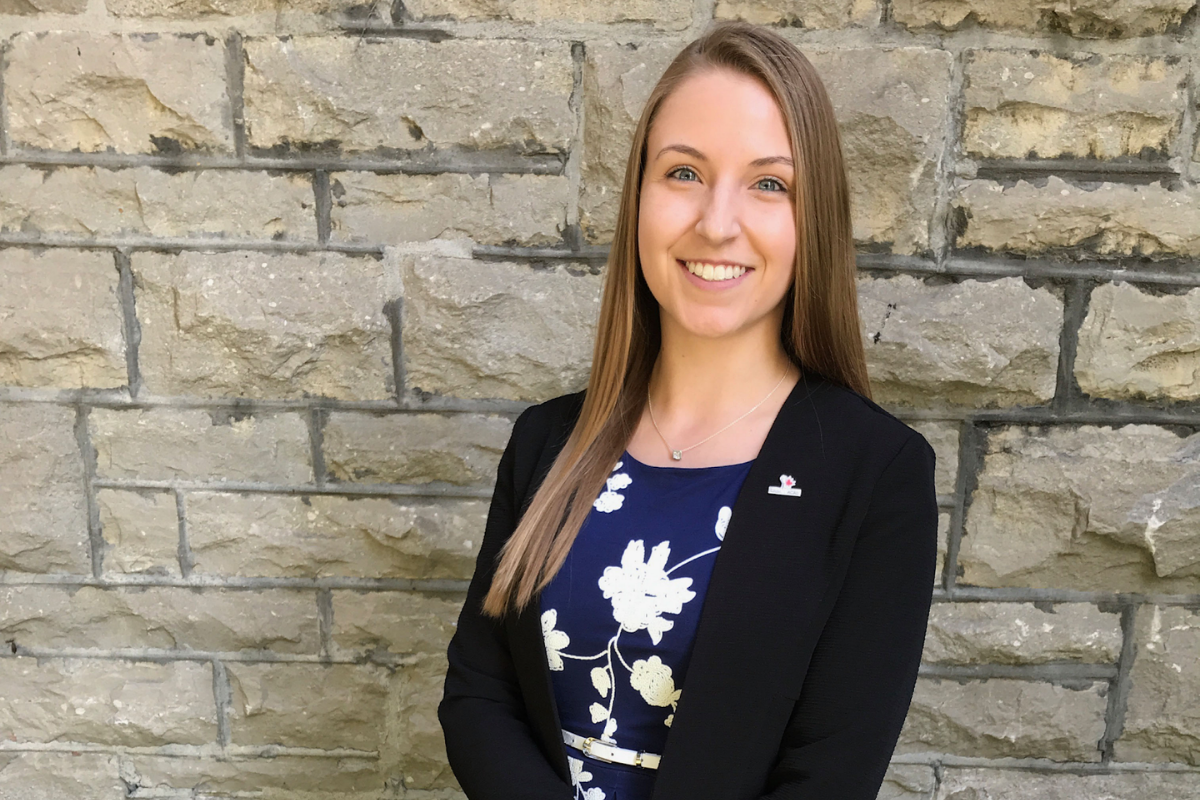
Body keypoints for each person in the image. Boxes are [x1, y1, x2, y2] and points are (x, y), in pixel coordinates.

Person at [438, 20, 938, 800]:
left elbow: (829, 774)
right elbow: (478, 694)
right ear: (639, 194)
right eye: (683, 173)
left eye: (770, 184)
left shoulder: (874, 475)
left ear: (814, 222)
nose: (716, 222)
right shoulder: (548, 442)